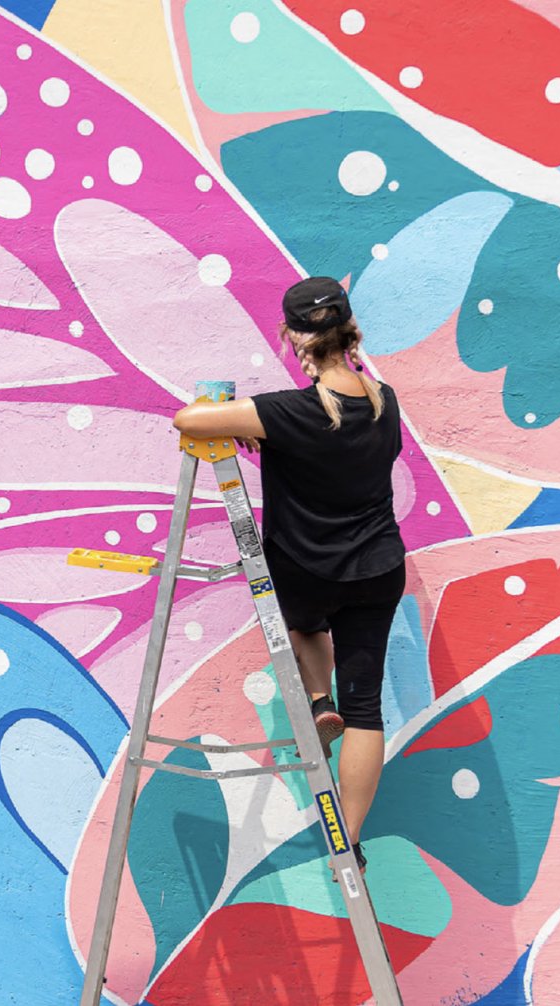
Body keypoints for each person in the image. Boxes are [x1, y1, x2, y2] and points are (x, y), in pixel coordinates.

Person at [172, 276, 405, 872]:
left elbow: (188, 419)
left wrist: (239, 424)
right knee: (367, 711)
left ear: (295, 338)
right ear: (350, 333)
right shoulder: (385, 401)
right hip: (379, 569)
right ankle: (349, 841)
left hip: (307, 572)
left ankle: (319, 696)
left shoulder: (286, 412)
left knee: (300, 621)